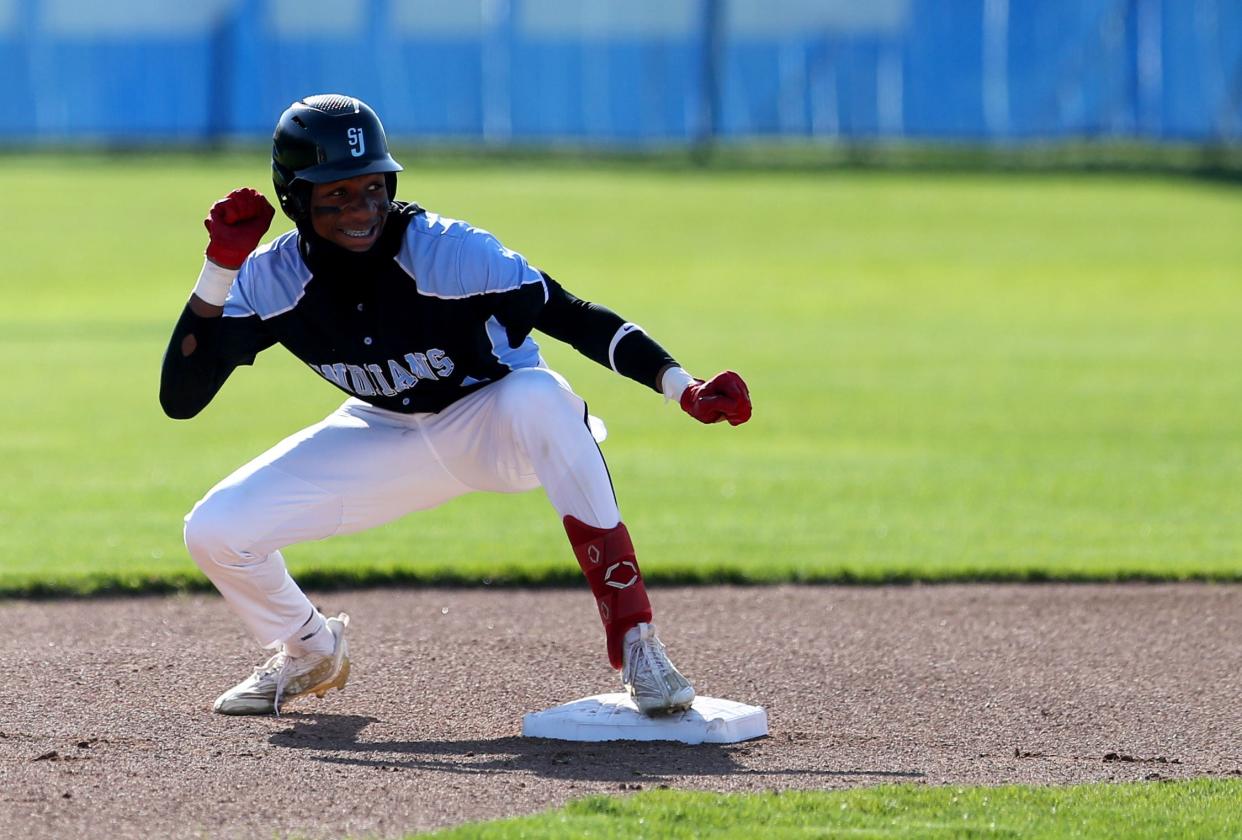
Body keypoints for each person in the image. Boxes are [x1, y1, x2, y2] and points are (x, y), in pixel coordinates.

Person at [159, 94, 752, 717]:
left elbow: (573, 316)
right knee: (214, 531)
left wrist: (679, 384)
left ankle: (636, 641)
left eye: (373, 189)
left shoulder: (449, 251)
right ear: (296, 200)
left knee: (540, 395)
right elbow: (182, 397)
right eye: (336, 194)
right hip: (383, 431)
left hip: (493, 421)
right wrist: (219, 268)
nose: (361, 210)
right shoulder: (269, 277)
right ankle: (311, 648)